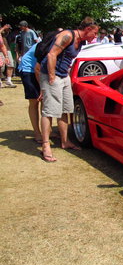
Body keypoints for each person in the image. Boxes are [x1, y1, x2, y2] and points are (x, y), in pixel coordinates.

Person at [39, 17, 99, 162]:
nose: (95, 36)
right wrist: (52, 77)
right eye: (95, 33)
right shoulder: (67, 36)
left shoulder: (82, 41)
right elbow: (51, 54)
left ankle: (65, 141)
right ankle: (45, 145)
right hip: (51, 75)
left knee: (66, 109)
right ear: (88, 29)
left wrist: (68, 78)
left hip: (64, 76)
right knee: (49, 111)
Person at [17, 43, 42, 142]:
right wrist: (42, 88)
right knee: (34, 101)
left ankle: (47, 130)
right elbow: (37, 68)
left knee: (45, 101)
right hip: (28, 70)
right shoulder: (44, 45)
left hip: (40, 71)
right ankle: (37, 133)